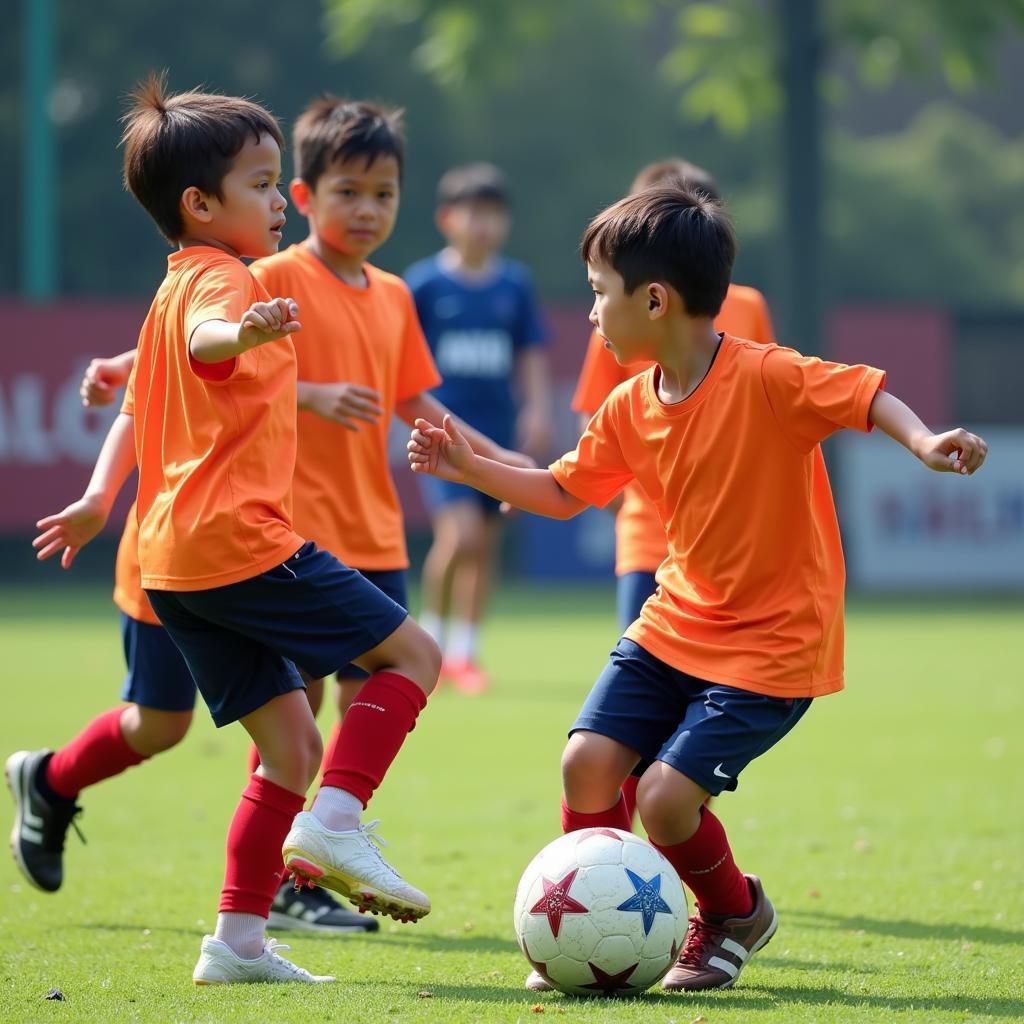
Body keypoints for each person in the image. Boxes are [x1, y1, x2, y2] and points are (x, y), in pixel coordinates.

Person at [407, 185, 988, 993]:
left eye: (598, 294)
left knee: (664, 799)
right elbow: (563, 489)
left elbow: (864, 392)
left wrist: (925, 442)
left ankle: (733, 914)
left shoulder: (768, 376)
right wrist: (470, 466)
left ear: (654, 299)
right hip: (674, 624)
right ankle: (584, 920)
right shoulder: (628, 405)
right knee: (586, 765)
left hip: (773, 645)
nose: (590, 315)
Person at [23, 75, 442, 985]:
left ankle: (238, 942)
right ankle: (337, 824)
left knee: (292, 747)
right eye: (262, 184)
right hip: (237, 544)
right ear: (200, 205)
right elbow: (214, 339)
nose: (275, 201)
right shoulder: (220, 279)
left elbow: (158, 374)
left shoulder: (171, 286)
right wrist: (244, 332)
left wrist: (102, 498)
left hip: (176, 563)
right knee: (414, 658)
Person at [249, 97, 531, 913]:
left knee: (374, 699)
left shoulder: (395, 294)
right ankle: (276, 882)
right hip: (292, 536)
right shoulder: (273, 280)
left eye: (384, 193)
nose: (368, 209)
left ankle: (318, 854)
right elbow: (222, 383)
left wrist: (498, 461)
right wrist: (309, 392)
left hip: (375, 534)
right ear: (303, 198)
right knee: (292, 725)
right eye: (348, 191)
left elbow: (419, 402)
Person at [573, 158, 776, 821]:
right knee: (626, 726)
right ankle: (615, 873)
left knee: (681, 749)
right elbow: (596, 419)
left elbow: (767, 404)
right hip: (648, 540)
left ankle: (670, 854)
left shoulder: (740, 310)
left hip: (730, 556)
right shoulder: (616, 317)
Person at [406, 164, 552, 693]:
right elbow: (399, 360)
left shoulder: (514, 284)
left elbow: (530, 351)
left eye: (493, 215)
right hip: (441, 434)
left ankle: (465, 654)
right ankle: (430, 642)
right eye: (472, 213)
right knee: (459, 534)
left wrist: (536, 408)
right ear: (448, 219)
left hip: (496, 432)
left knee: (485, 543)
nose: (483, 225)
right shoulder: (423, 284)